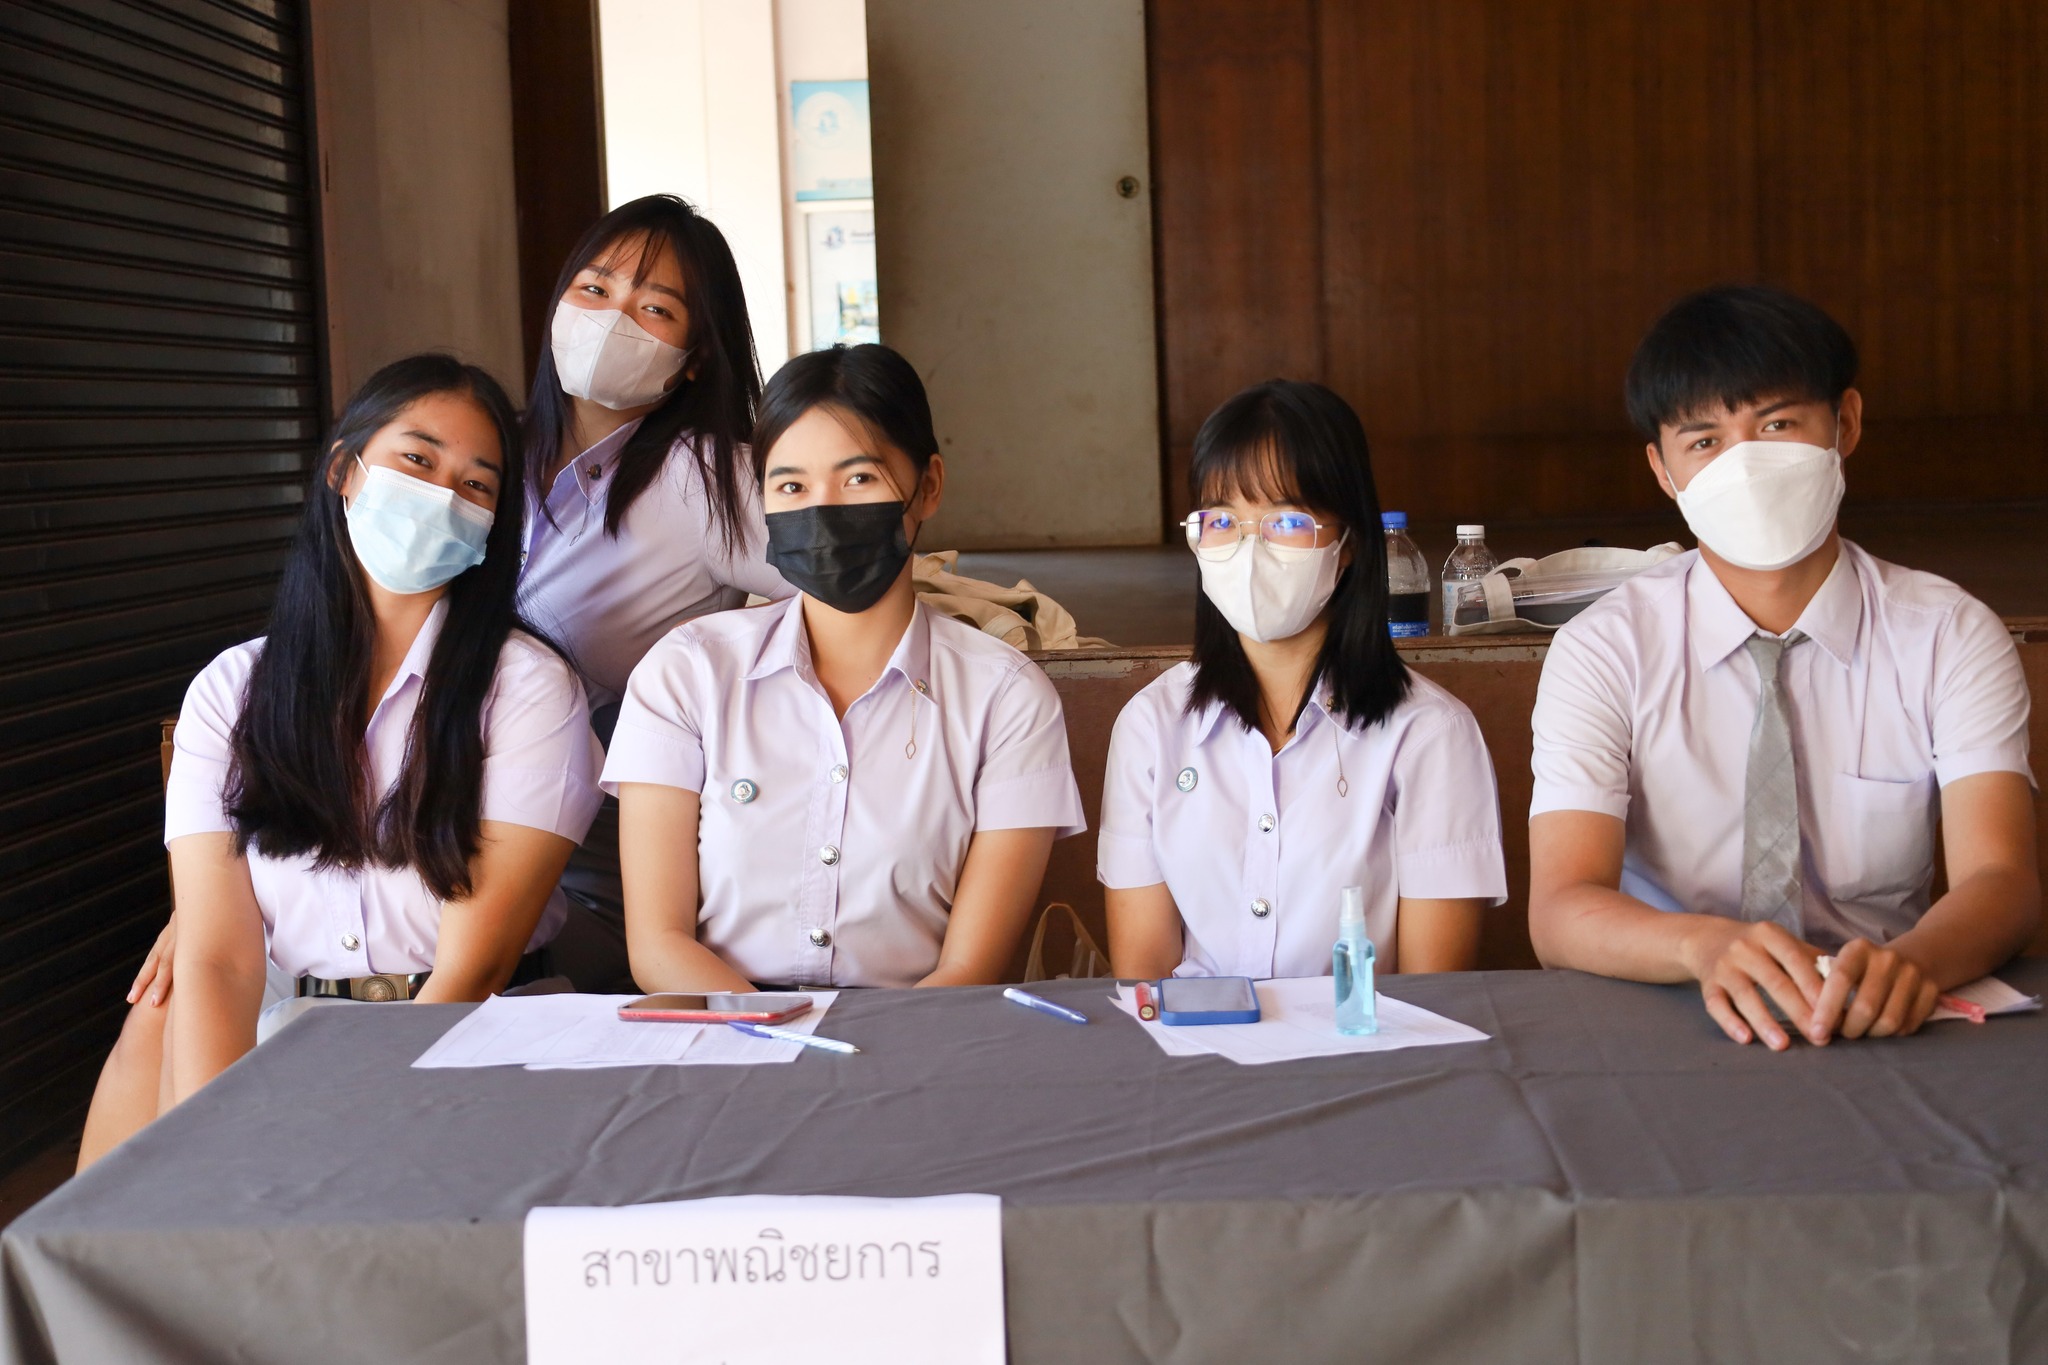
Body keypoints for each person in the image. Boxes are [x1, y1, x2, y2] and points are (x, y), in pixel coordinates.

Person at [78, 356, 602, 1169]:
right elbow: (218, 954)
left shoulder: (528, 688)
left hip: (471, 1035)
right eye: (418, 460)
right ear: (343, 470)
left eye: (477, 485)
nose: (441, 496)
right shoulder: (234, 688)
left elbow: (476, 963)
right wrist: (215, 1150)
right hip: (288, 1034)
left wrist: (372, 1122)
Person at [1528, 285, 2039, 1049]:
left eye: (1776, 425)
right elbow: (1562, 905)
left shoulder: (1949, 634)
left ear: (1847, 423)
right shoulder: (1604, 649)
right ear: (1663, 472)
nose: (1747, 467)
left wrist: (1912, 965)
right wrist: (1699, 945)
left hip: (1887, 1016)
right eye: (1704, 441)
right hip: (1669, 1016)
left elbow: (2003, 881)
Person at [604, 344, 1085, 990]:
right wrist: (778, 1042)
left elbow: (969, 967)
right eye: (791, 485)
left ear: (929, 486)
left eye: (859, 477)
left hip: (917, 1038)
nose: (822, 509)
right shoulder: (686, 674)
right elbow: (659, 946)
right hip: (730, 1034)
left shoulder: (1007, 696)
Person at [1100, 380, 1505, 981]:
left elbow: (1433, 993)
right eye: (1222, 519)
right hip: (1199, 1058)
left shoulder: (1429, 734)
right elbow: (1146, 981)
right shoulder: (1152, 725)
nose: (1248, 548)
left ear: (1347, 544)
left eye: (1286, 521)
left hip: (1364, 1059)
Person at [516, 195, 792, 989]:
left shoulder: (709, 478)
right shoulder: (490, 454)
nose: (613, 319)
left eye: (656, 307)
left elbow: (849, 587)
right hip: (440, 831)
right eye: (595, 289)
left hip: (595, 865)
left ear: (696, 354)